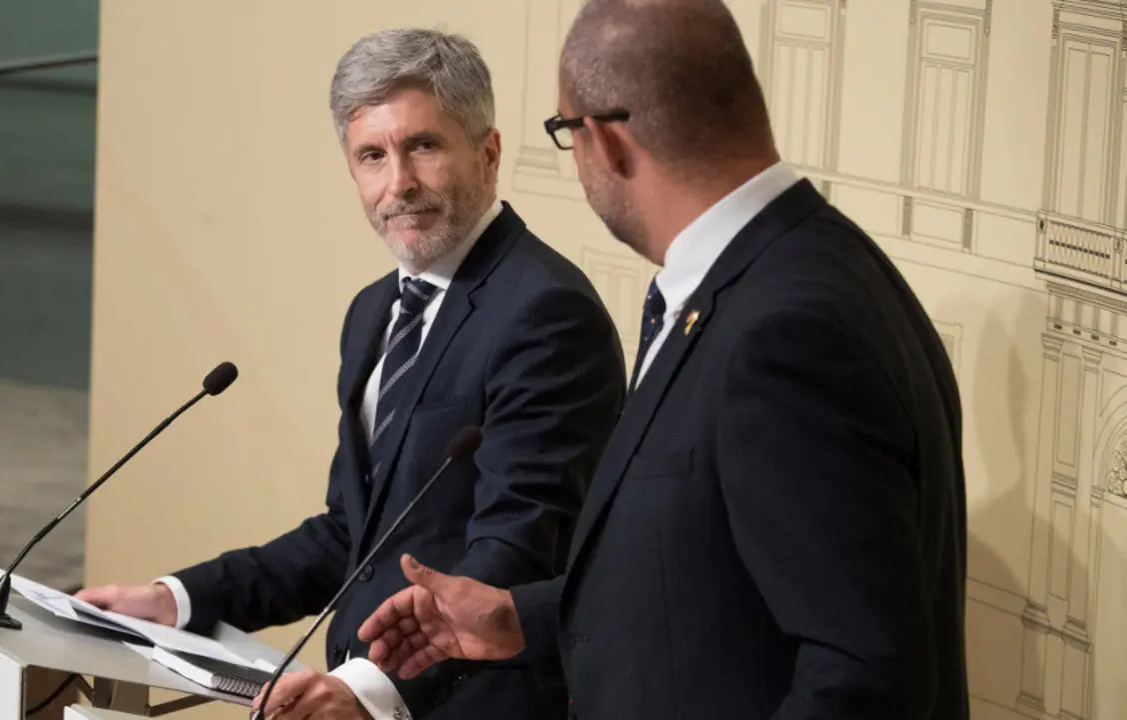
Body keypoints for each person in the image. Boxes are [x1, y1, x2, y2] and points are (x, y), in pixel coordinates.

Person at [357, 1, 971, 718]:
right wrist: (526, 619)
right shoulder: (794, 268)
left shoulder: (785, 331)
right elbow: (712, 581)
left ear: (606, 143)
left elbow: (864, 680)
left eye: (565, 134)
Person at [76, 28, 626, 720]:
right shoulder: (375, 313)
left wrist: (369, 691)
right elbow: (351, 536)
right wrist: (178, 597)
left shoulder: (545, 313)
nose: (398, 184)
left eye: (423, 146)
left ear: (487, 152)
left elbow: (516, 552)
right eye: (372, 156)